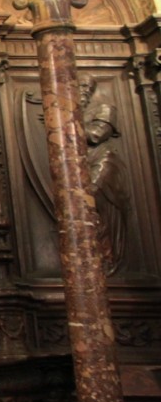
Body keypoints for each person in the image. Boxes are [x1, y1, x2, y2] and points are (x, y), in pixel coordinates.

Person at [85, 103, 128, 275]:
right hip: (85, 167)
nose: (83, 91)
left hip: (103, 165)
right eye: (82, 87)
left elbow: (97, 134)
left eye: (87, 88)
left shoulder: (104, 107)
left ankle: (107, 258)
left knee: (99, 210)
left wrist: (66, 126)